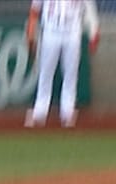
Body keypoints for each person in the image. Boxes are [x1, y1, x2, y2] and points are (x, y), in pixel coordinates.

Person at [24, 0, 99, 128]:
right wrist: (31, 35)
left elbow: (90, 11)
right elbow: (34, 11)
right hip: (51, 30)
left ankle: (68, 114)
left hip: (73, 32)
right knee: (45, 74)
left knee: (71, 74)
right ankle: (40, 113)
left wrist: (94, 33)